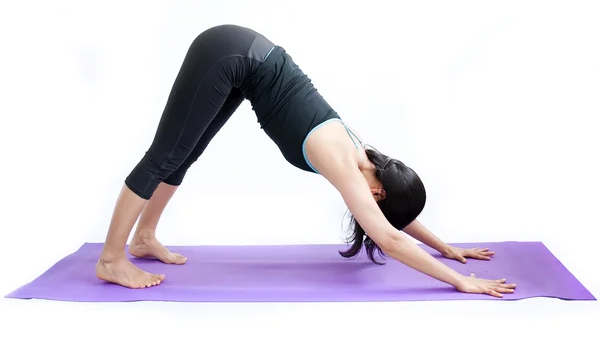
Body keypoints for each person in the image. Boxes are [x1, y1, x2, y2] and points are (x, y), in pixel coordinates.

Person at [95, 24, 516, 298]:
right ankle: (112, 259)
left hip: (246, 60)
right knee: (164, 155)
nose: (371, 210)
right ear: (378, 191)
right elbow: (388, 236)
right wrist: (462, 282)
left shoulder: (368, 158)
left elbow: (393, 216)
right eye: (378, 203)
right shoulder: (343, 162)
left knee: (183, 155)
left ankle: (144, 237)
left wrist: (444, 247)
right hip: (230, 55)